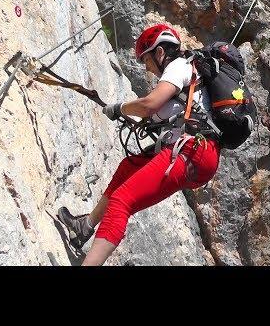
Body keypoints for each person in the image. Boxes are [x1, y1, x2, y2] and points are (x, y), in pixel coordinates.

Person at [57, 24, 220, 266]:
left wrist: (120, 107)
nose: (147, 68)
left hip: (191, 151)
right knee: (127, 167)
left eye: (147, 60)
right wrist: (135, 117)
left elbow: (149, 104)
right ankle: (86, 226)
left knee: (122, 201)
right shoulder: (190, 76)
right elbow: (160, 113)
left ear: (160, 53)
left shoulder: (179, 67)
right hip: (196, 151)